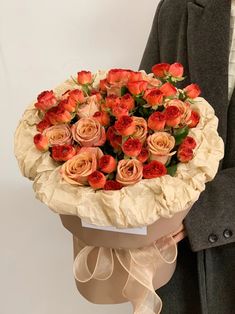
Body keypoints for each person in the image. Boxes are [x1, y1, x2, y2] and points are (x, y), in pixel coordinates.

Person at [139, 0, 235, 313]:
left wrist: (200, 207)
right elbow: (138, 121)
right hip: (182, 266)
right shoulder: (177, 8)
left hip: (188, 220)